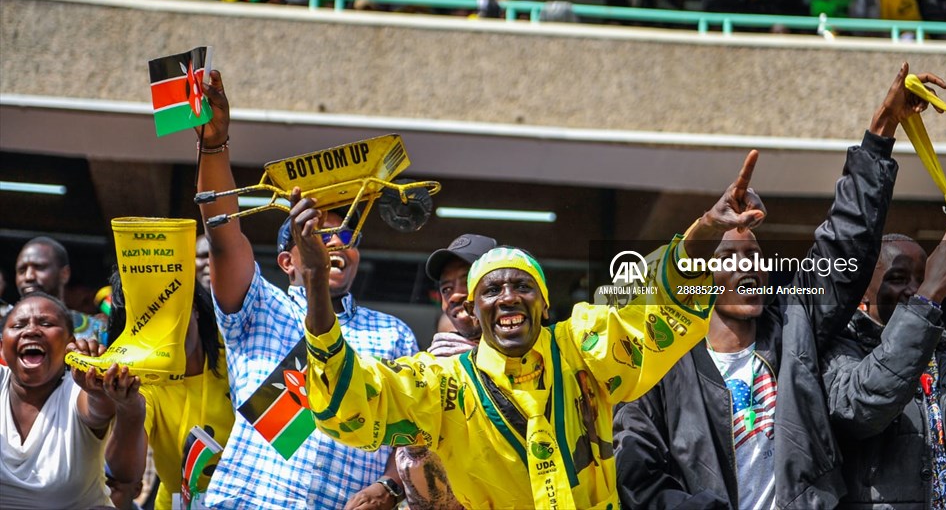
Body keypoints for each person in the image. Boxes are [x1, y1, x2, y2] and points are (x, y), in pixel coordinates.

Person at [300, 150, 766, 508]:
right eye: (491, 290)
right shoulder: (444, 385)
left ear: (544, 305)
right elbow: (353, 398)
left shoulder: (581, 349)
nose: (507, 296)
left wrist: (706, 227)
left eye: (521, 286)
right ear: (476, 311)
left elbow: (650, 309)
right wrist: (318, 284)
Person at [614, 62, 940, 510]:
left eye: (755, 257)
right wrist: (708, 225)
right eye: (729, 258)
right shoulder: (660, 368)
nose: (748, 268)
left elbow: (844, 239)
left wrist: (881, 130)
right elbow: (639, 478)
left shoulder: (794, 328)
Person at [195, 71, 418, 509]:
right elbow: (222, 234)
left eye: (347, 237)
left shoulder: (394, 335)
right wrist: (214, 143)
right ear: (286, 261)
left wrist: (390, 487)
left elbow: (408, 434)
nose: (335, 244)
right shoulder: (259, 305)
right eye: (317, 234)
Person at [822, 225, 946, 508]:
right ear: (862, 295)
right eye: (898, 278)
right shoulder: (842, 350)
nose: (915, 289)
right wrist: (928, 297)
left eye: (924, 278)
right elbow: (861, 410)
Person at [0, 292, 147, 509]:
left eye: (46, 323)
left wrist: (102, 391)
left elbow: (95, 408)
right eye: (18, 325)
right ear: (2, 346)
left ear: (70, 343)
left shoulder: (77, 390)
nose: (31, 330)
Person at [106, 272, 235, 510]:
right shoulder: (142, 383)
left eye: (170, 313)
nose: (167, 335)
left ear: (193, 306)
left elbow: (291, 436)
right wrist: (128, 409)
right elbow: (124, 473)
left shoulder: (238, 353)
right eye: (150, 323)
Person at [396, 234, 497, 509]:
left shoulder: (542, 359)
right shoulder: (432, 370)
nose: (454, 295)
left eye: (466, 281)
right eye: (445, 288)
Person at [15, 236, 105, 342]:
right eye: (21, 270)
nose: (29, 276)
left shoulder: (98, 331)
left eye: (39, 267)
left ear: (64, 274)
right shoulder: (4, 330)